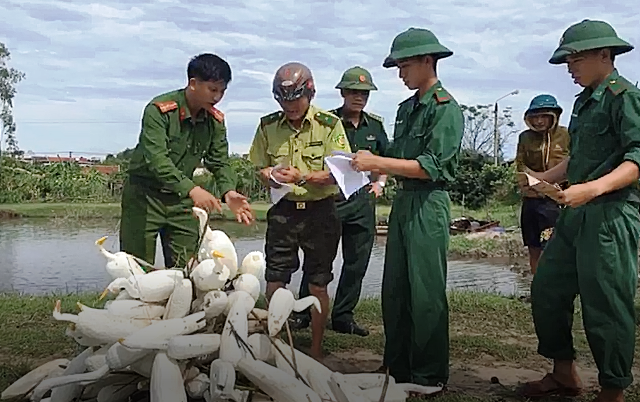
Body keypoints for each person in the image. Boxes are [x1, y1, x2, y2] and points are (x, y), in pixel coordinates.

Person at [517, 19, 640, 402]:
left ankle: (613, 389)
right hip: (575, 214)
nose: (570, 68)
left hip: (611, 214)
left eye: (575, 59)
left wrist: (592, 189)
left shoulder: (625, 98)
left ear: (605, 55)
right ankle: (564, 372)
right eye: (568, 61)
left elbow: (637, 158)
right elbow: (577, 159)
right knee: (547, 288)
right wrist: (540, 178)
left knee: (606, 302)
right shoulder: (585, 101)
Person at [351, 27, 464, 391]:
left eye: (405, 66)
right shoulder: (407, 109)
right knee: (396, 287)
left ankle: (429, 374)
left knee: (426, 289)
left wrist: (378, 162)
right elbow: (399, 156)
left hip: (428, 202)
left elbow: (431, 165)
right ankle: (397, 366)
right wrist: (370, 163)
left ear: (427, 62)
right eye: (398, 67)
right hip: (403, 202)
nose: (400, 74)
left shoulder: (445, 110)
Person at [248, 61, 351, 360]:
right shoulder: (267, 125)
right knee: (276, 278)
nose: (290, 106)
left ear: (310, 93)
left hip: (321, 212)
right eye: (283, 100)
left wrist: (302, 177)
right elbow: (259, 166)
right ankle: (275, 345)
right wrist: (270, 175)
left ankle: (316, 349)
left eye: (295, 99)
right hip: (284, 211)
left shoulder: (330, 125)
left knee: (318, 282)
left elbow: (338, 173)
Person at [120, 53, 254, 268]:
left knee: (187, 271)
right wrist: (193, 190)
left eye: (222, 91)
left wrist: (228, 192)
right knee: (136, 270)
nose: (218, 97)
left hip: (180, 201)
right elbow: (157, 160)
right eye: (213, 89)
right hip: (144, 198)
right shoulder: (159, 111)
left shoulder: (215, 121)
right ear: (193, 83)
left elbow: (219, 161)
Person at [290, 66, 389, 336]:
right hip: (330, 199)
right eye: (354, 92)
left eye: (364, 93)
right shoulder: (326, 122)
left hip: (361, 201)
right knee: (318, 259)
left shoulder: (375, 127)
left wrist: (379, 184)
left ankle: (343, 316)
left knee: (357, 262)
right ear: (343, 93)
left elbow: (382, 160)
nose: (359, 98)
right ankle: (302, 313)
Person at [514, 94, 569, 274]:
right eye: (534, 117)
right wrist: (533, 179)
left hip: (555, 200)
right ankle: (536, 289)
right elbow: (520, 164)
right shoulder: (525, 138)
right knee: (533, 246)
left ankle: (553, 290)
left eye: (543, 116)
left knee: (552, 247)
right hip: (531, 199)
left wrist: (548, 181)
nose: (538, 121)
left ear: (554, 116)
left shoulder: (566, 135)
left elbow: (572, 163)